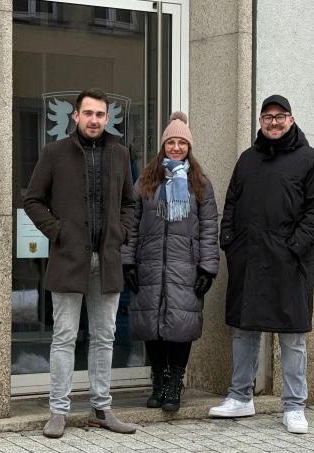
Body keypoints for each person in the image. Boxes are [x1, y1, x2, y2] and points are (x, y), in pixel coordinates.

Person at [209, 95, 314, 434]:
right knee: (244, 330)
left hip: (289, 263)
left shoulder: (310, 160)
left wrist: (293, 246)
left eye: (280, 117)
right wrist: (229, 243)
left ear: (291, 120)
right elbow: (232, 203)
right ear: (261, 122)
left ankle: (294, 405)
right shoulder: (247, 159)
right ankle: (240, 397)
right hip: (248, 259)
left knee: (292, 336)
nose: (274, 122)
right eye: (268, 117)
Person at [23, 88, 138, 438]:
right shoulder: (54, 153)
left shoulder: (119, 155)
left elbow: (130, 204)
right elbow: (32, 199)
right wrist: (57, 233)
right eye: (88, 113)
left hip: (107, 260)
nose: (94, 120)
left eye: (100, 115)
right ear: (75, 116)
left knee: (104, 336)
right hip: (68, 258)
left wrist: (121, 233)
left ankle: (101, 409)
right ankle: (58, 411)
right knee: (64, 336)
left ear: (108, 118)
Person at [121, 112, 219, 412]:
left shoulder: (200, 183)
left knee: (180, 326)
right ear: (163, 146)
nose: (176, 148)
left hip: (185, 267)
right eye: (171, 142)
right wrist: (128, 263)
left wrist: (208, 269)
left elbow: (209, 227)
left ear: (189, 147)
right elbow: (132, 224)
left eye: (182, 143)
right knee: (152, 325)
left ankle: (175, 383)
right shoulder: (146, 181)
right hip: (150, 264)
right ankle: (158, 382)